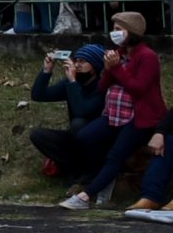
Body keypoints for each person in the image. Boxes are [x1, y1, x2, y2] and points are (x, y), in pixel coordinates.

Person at [59, 11, 165, 211]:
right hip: (114, 114)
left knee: (116, 155)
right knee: (85, 137)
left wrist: (116, 69)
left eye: (118, 29)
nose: (113, 33)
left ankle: (85, 196)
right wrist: (108, 69)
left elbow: (138, 88)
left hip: (140, 118)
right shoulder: (119, 53)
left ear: (131, 32)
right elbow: (102, 87)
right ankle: (101, 177)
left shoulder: (147, 56)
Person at [29, 44, 110, 182]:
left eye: (83, 62)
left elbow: (82, 111)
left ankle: (91, 171)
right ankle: (72, 169)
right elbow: (39, 95)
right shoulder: (73, 83)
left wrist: (73, 82)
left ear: (95, 67)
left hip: (99, 142)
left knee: (79, 123)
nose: (77, 65)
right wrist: (46, 71)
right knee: (38, 135)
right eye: (76, 61)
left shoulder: (102, 86)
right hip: (76, 138)